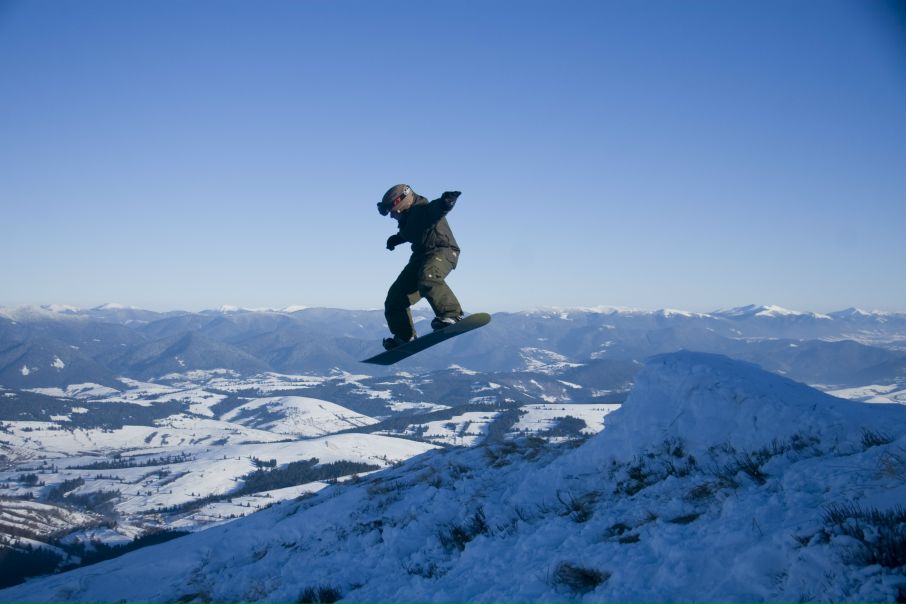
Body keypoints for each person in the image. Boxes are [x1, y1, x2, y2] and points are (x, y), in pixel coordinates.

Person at [376, 184, 464, 350]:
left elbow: (435, 210)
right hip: (421, 256)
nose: (392, 216)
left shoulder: (422, 210)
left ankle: (452, 315)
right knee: (395, 297)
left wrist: (445, 203)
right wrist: (396, 239)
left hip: (443, 251)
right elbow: (411, 231)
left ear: (402, 205)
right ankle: (404, 336)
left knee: (427, 276)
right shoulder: (408, 219)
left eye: (393, 211)